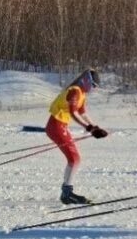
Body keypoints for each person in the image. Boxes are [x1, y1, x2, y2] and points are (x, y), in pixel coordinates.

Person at [46, 68, 108, 205]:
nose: (92, 89)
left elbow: (83, 113)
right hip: (56, 126)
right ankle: (67, 193)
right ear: (86, 81)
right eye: (92, 85)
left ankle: (66, 192)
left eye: (95, 87)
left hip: (59, 126)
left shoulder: (81, 93)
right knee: (74, 159)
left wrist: (95, 127)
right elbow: (74, 114)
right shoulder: (75, 91)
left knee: (74, 159)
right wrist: (89, 128)